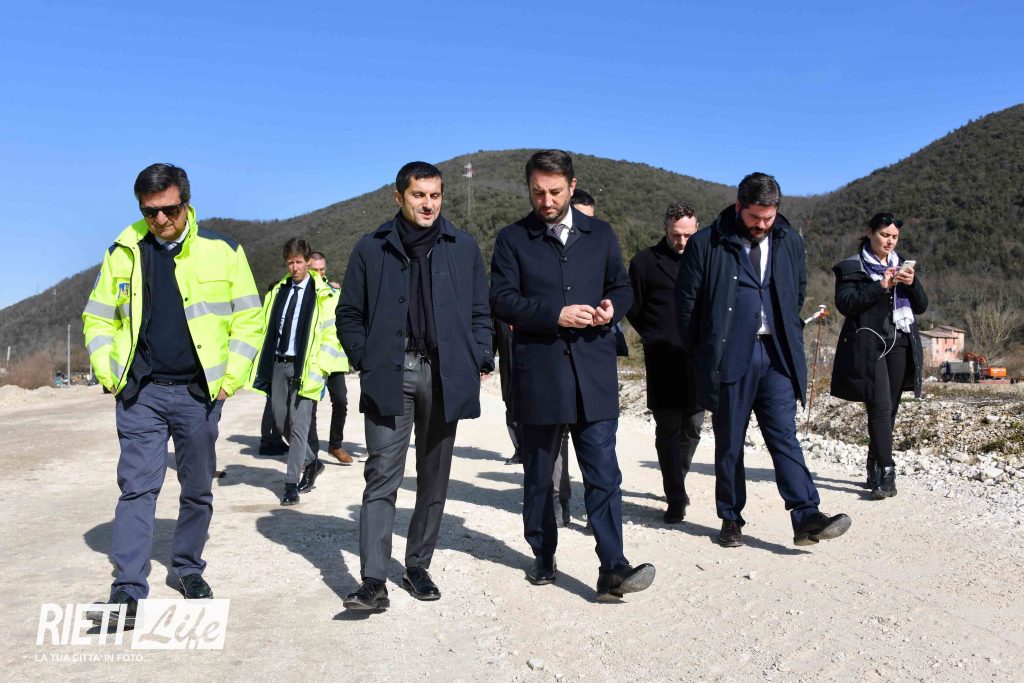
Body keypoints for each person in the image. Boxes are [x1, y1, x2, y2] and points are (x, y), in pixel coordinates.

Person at [82, 163, 263, 627]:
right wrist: (109, 371)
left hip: (199, 393)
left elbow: (249, 318)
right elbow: (98, 317)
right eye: (150, 212)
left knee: (197, 488)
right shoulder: (123, 251)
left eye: (169, 209)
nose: (160, 219)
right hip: (140, 392)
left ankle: (187, 568)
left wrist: (230, 379)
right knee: (137, 488)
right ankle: (128, 586)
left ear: (186, 202)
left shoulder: (224, 251)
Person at [490, 149, 655, 601]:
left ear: (572, 185)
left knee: (604, 474)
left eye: (555, 191)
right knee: (540, 474)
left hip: (593, 372)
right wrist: (554, 315)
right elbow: (501, 299)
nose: (546, 200)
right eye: (538, 192)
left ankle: (613, 566)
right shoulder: (512, 239)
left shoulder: (601, 234)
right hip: (540, 374)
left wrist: (612, 307)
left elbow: (621, 286)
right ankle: (543, 554)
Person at [338, 161, 494, 610]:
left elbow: (480, 312)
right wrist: (365, 358)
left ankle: (417, 566)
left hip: (445, 375)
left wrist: (480, 355)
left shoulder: (463, 247)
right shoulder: (371, 248)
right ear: (398, 197)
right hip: (391, 372)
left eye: (435, 195)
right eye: (419, 195)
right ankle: (373, 580)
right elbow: (349, 313)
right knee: (381, 476)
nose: (428, 204)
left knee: (433, 478)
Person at [676, 172, 851, 548]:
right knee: (730, 442)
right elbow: (686, 305)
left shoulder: (790, 241)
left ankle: (807, 516)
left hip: (776, 354)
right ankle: (730, 518)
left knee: (784, 436)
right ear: (738, 206)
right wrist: (703, 353)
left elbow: (796, 291)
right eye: (755, 217)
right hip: (728, 356)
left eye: (768, 217)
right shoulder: (707, 242)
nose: (761, 224)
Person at [830, 213, 928, 498]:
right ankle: (887, 472)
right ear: (870, 232)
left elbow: (921, 306)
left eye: (894, 236)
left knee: (891, 407)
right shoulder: (851, 266)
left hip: (901, 340)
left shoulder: (901, 264)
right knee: (880, 404)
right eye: (885, 235)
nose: (890, 241)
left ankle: (874, 463)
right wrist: (879, 286)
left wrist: (911, 283)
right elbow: (846, 304)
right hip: (869, 343)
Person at [248, 238, 345, 505]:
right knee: (281, 423)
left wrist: (322, 367)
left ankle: (290, 484)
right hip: (279, 364)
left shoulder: (323, 294)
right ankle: (312, 462)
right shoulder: (278, 292)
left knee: (300, 426)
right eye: (290, 262)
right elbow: (265, 327)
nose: (294, 267)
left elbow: (332, 335)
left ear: (308, 262)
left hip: (307, 367)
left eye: (299, 262)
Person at [627, 201, 706, 523]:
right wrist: (653, 334)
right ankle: (675, 495)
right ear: (665, 229)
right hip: (662, 357)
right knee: (668, 428)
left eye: (688, 235)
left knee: (694, 426)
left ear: (697, 230)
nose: (682, 241)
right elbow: (633, 306)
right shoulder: (644, 262)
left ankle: (678, 478)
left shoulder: (707, 260)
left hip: (700, 357)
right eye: (676, 235)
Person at [308, 251, 357, 465]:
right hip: (312, 359)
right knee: (309, 406)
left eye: (322, 270)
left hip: (334, 359)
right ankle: (309, 451)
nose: (319, 274)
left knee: (341, 401)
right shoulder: (304, 292)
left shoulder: (334, 291)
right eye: (314, 270)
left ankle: (335, 445)